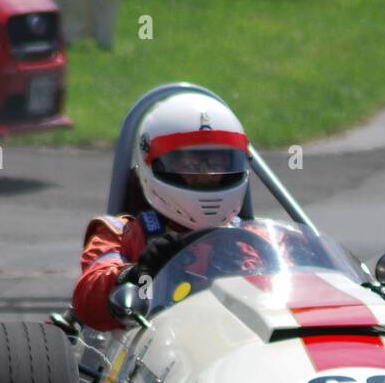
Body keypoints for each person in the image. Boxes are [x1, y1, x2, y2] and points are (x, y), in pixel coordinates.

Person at [71, 92, 251, 330]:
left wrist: (251, 273)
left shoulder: (255, 240)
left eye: (218, 163)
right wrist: (138, 275)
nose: (207, 175)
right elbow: (88, 301)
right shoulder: (118, 234)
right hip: (157, 346)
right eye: (192, 164)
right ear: (153, 164)